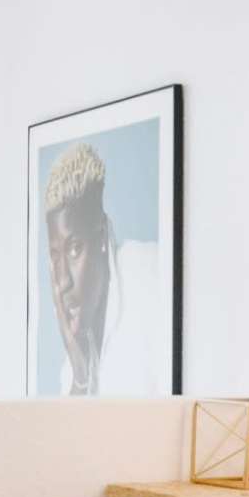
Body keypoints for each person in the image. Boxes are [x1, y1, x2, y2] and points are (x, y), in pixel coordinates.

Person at [40, 139, 164, 395]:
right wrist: (80, 376)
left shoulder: (152, 276)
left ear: (102, 237)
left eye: (74, 249)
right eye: (54, 256)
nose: (63, 281)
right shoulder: (71, 368)